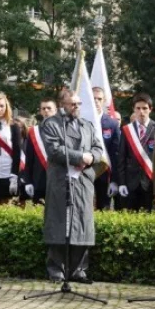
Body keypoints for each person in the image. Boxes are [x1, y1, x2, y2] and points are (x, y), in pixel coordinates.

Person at [40, 89, 103, 283]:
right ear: (62, 105)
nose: (76, 107)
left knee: (82, 225)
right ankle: (57, 271)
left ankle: (78, 271)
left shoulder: (87, 125)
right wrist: (79, 156)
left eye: (78, 103)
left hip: (83, 181)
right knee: (60, 224)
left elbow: (98, 148)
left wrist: (92, 157)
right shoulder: (51, 124)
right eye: (72, 104)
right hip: (61, 181)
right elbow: (54, 150)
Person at [115, 93, 155, 212]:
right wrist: (121, 183)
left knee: (149, 220)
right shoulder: (126, 130)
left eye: (145, 108)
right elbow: (121, 158)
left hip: (150, 182)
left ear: (150, 109)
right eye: (138, 108)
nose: (141, 112)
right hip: (131, 183)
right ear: (134, 109)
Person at [19, 98, 58, 205]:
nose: (46, 111)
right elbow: (29, 159)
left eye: (49, 108)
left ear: (56, 110)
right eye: (43, 108)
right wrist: (28, 181)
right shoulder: (34, 131)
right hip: (39, 180)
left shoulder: (63, 129)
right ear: (40, 111)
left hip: (58, 180)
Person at [92, 86, 120, 210]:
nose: (96, 101)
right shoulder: (81, 121)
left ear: (104, 101)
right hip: (84, 172)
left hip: (105, 173)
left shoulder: (112, 124)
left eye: (99, 99)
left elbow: (116, 154)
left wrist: (114, 180)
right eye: (93, 98)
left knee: (103, 209)